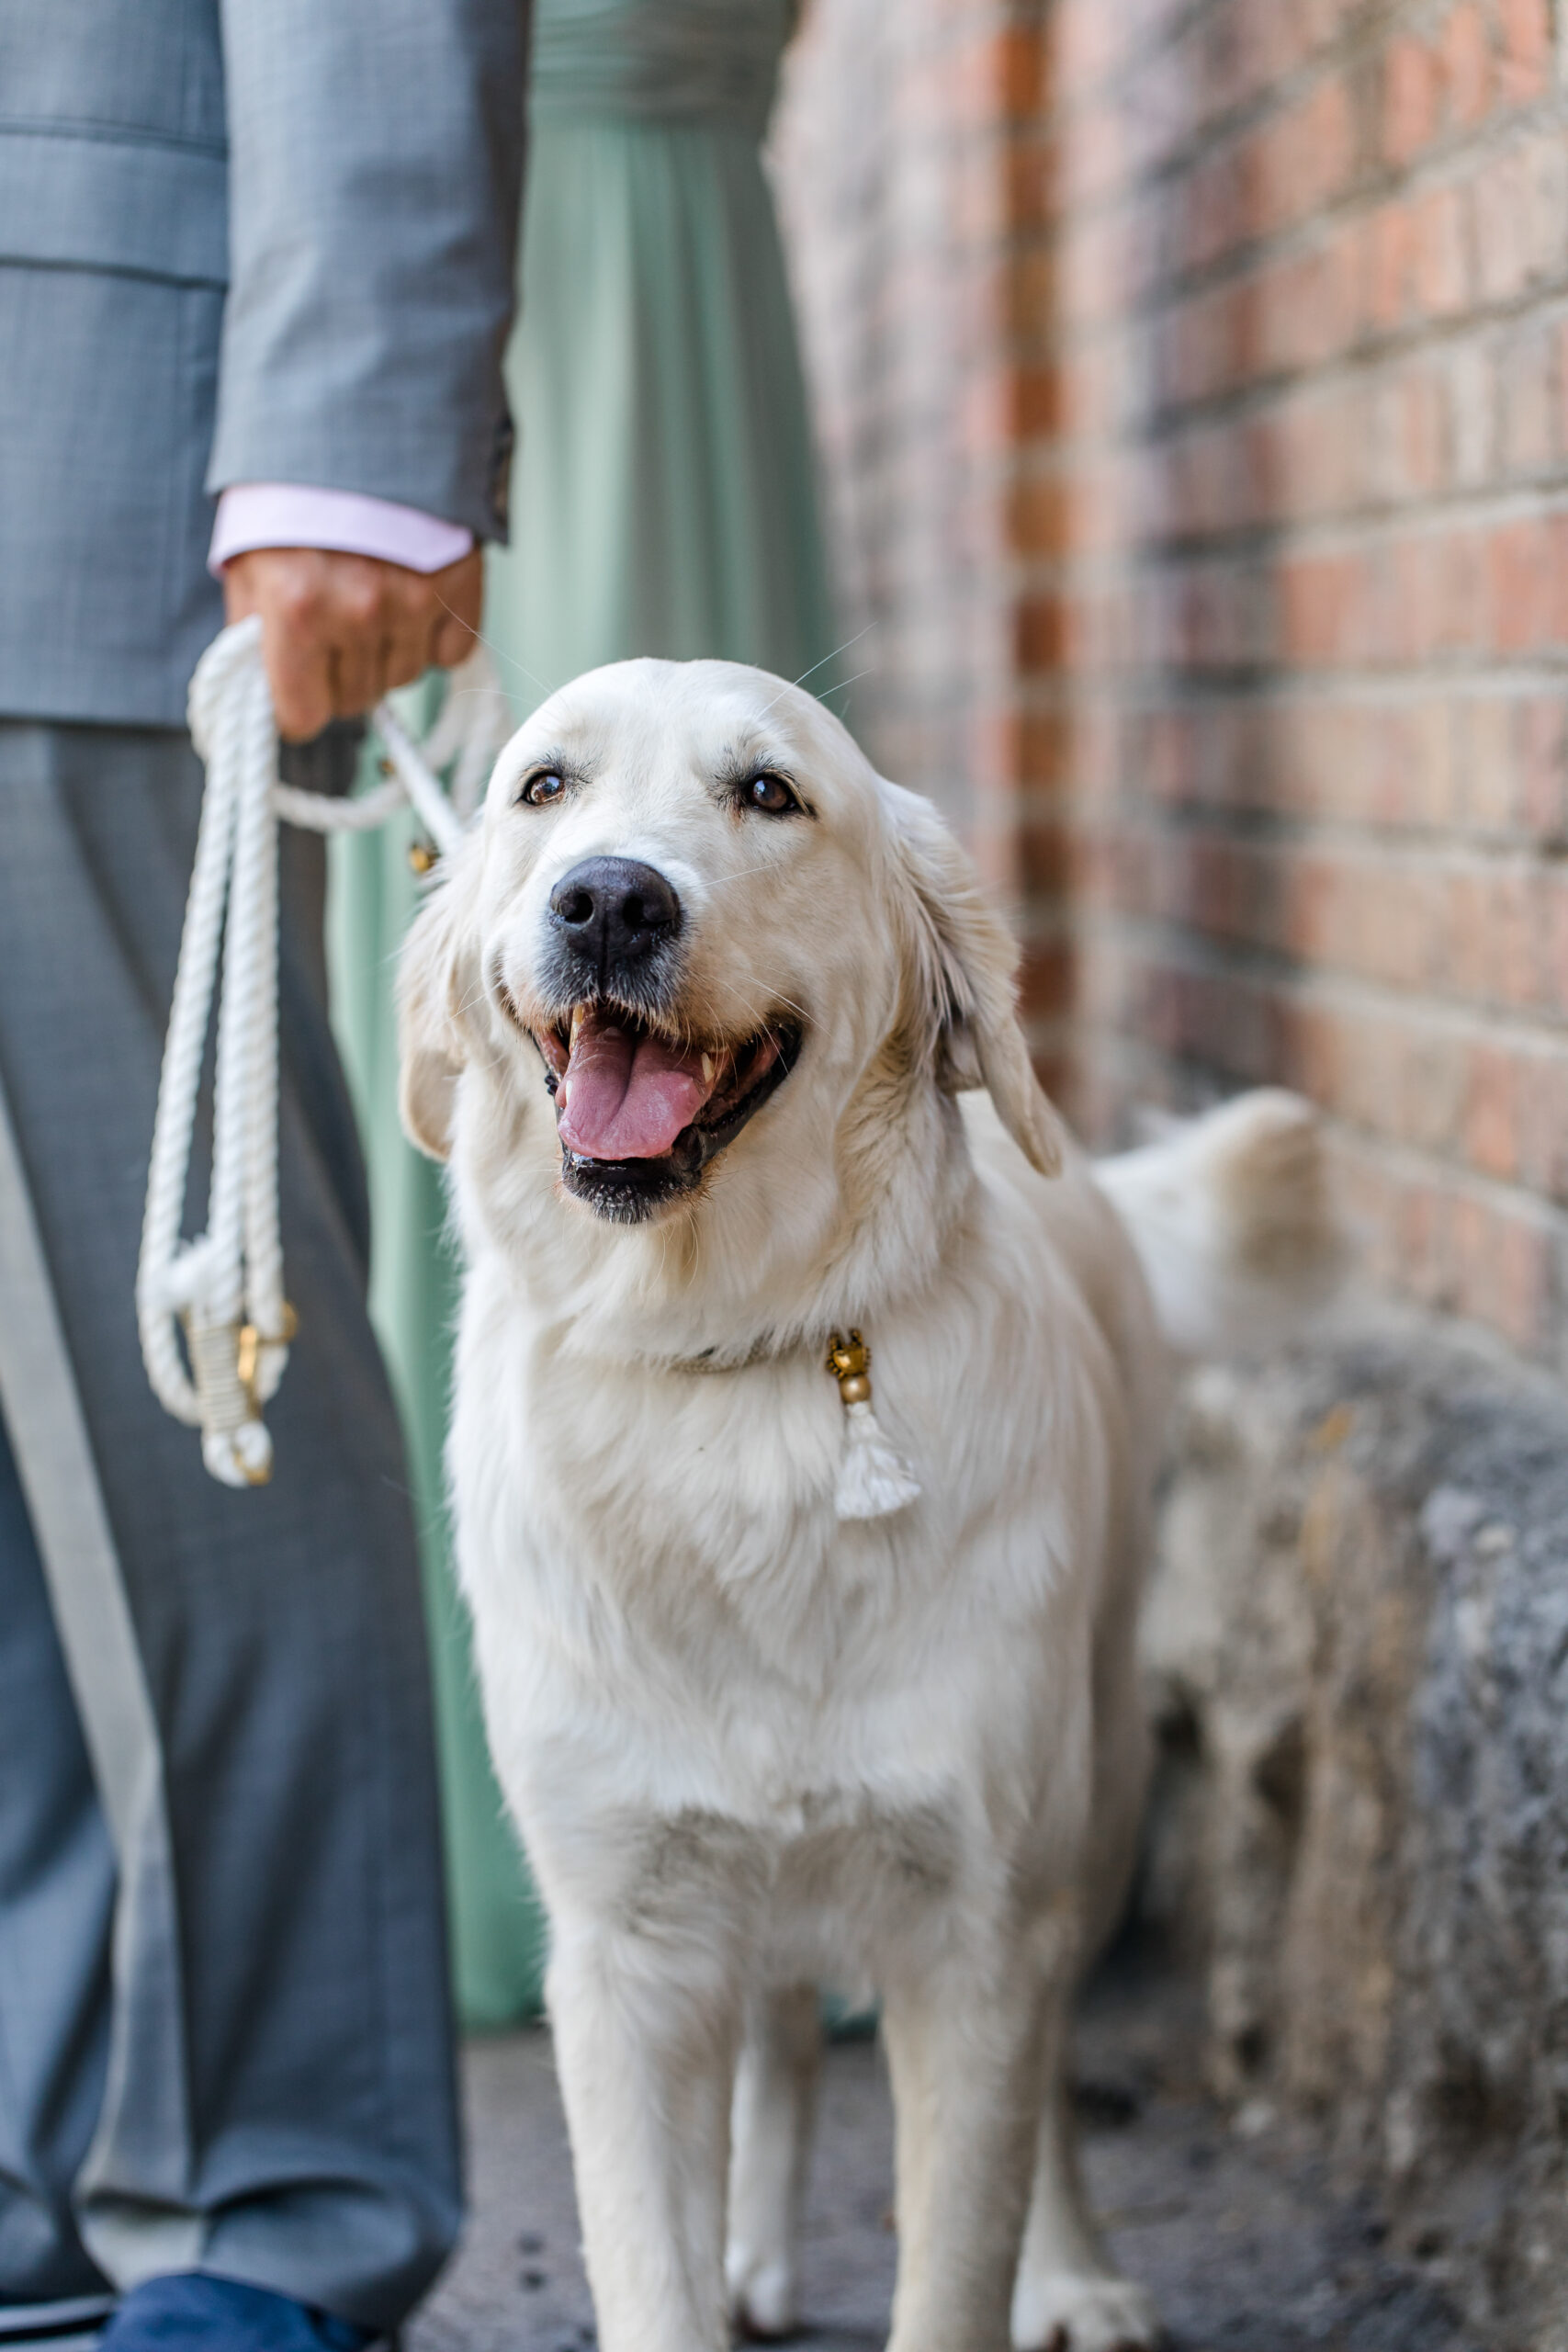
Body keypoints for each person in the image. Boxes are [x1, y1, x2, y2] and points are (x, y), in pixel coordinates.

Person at [0, 6, 525, 2350]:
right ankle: (32, 2178)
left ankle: (270, 2201)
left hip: (70, 433)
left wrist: (358, 405)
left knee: (176, 1361)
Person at [327, 0, 839, 2029]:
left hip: (665, 252)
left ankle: (841, 1748)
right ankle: (514, 1803)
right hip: (468, 278)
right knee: (510, 968)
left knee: (734, 919)